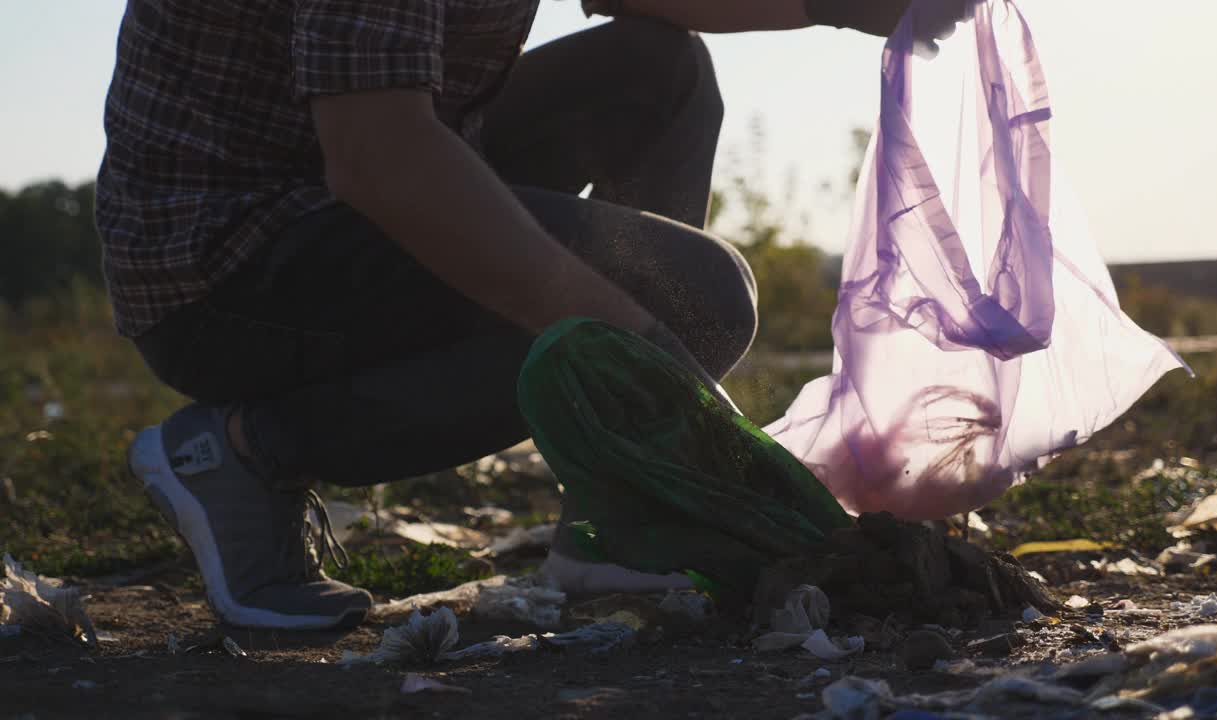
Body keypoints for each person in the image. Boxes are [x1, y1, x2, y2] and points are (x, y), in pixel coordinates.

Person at [98, 0, 970, 630]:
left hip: (354, 181)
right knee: (691, 296)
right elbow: (378, 160)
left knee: (656, 73)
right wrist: (626, 338)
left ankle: (616, 518)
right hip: (228, 267)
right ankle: (244, 450)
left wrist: (835, 4)